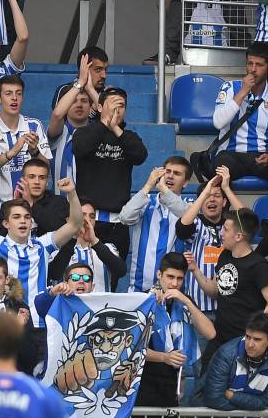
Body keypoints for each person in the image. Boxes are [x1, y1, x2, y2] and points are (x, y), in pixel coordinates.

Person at [0, 170, 81, 326]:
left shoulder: (43, 245)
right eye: (16, 217)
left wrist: (72, 193)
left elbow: (75, 224)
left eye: (27, 217)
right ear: (6, 224)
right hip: (5, 324)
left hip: (39, 323)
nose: (23, 221)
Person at [138, 252, 216, 418]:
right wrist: (164, 357)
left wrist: (187, 302)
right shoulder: (144, 300)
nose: (174, 283)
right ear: (159, 275)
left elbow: (210, 333)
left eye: (180, 279)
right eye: (170, 277)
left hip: (172, 389)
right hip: (143, 388)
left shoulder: (183, 301)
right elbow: (132, 349)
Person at [188, 207, 268, 362]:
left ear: (238, 236)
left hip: (243, 340)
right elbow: (214, 290)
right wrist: (195, 270)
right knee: (205, 382)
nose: (221, 233)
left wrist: (254, 337)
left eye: (225, 229)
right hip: (220, 336)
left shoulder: (258, 265)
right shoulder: (225, 255)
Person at [202, 44, 268, 189]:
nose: (253, 69)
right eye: (250, 63)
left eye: (259, 65)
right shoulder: (230, 88)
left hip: (261, 157)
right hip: (231, 155)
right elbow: (218, 123)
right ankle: (224, 211)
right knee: (221, 165)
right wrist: (243, 93)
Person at [72, 85, 148, 257]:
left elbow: (140, 156)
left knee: (113, 277)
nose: (117, 109)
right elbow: (80, 148)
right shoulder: (84, 132)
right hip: (88, 220)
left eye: (121, 106)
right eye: (112, 104)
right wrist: (104, 124)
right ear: (99, 107)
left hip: (117, 223)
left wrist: (115, 129)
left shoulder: (128, 137)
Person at [0, 75, 51, 221]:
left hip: (33, 211)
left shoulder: (34, 125)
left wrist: (34, 151)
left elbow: (47, 167)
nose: (14, 98)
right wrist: (11, 153)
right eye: (8, 93)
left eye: (18, 93)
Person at [117, 159, 193, 293]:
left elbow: (188, 217)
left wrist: (164, 190)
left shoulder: (189, 206)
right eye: (167, 171)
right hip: (139, 289)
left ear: (186, 182)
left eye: (177, 173)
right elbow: (125, 217)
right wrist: (148, 185)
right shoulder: (146, 202)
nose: (170, 176)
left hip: (174, 292)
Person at [177, 173, 245, 317]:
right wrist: (204, 193)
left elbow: (247, 221)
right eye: (207, 196)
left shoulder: (231, 224)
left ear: (225, 202)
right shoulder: (195, 222)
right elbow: (182, 229)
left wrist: (226, 188)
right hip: (198, 308)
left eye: (217, 196)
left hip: (229, 309)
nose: (212, 199)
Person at [48, 202, 126, 292]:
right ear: (68, 220)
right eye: (81, 215)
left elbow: (121, 271)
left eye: (92, 216)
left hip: (100, 305)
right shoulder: (56, 250)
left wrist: (95, 243)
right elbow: (54, 274)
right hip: (68, 305)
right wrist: (73, 237)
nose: (87, 220)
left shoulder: (107, 248)